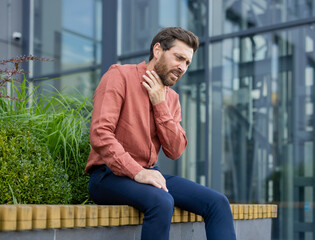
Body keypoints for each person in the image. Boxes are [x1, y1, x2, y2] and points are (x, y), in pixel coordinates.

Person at [85, 27, 236, 240]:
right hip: (108, 176)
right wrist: (137, 172)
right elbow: (101, 133)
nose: (183, 67)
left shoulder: (171, 98)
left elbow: (175, 150)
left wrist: (160, 103)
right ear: (157, 50)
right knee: (161, 201)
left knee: (218, 203)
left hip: (149, 175)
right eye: (179, 58)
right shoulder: (119, 76)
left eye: (187, 63)